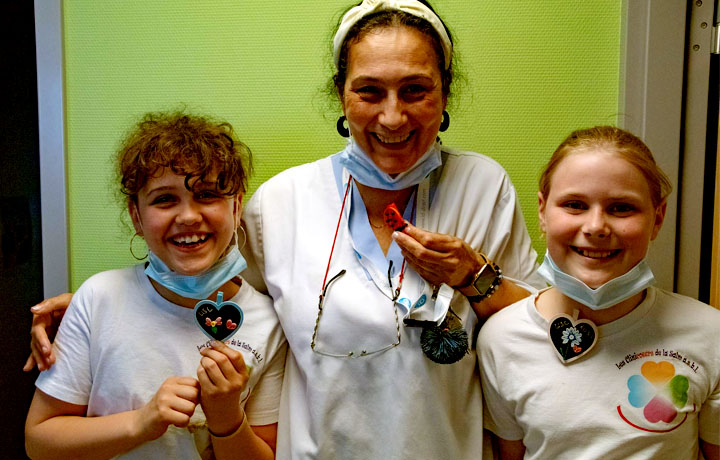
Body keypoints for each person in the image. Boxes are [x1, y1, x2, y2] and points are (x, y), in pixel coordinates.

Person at [26, 1, 543, 458]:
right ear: (341, 96)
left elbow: (535, 328)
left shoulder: (482, 184)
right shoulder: (282, 201)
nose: (392, 117)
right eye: (369, 91)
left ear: (444, 94)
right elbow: (210, 284)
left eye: (415, 90)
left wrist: (475, 276)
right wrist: (97, 308)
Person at [25, 112, 287, 459]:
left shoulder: (268, 323)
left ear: (237, 207)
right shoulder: (98, 299)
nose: (189, 217)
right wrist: (142, 422)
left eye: (208, 194)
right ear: (136, 216)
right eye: (164, 199)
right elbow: (39, 441)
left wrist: (227, 417)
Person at [478, 126, 720, 460]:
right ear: (542, 211)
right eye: (575, 205)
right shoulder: (501, 339)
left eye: (621, 208)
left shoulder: (710, 334)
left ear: (658, 217)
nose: (595, 227)